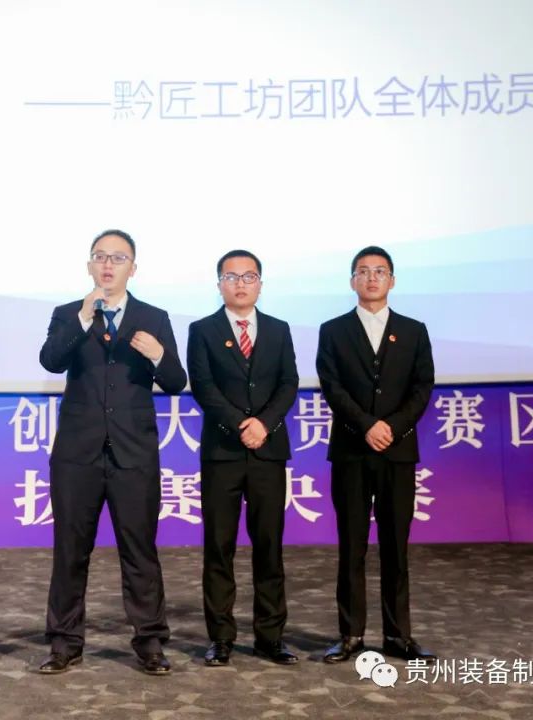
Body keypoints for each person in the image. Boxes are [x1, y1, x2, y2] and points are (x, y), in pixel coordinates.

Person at [36, 229, 187, 676]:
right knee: (70, 551)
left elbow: (176, 381)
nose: (108, 264)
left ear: (132, 268)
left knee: (139, 550)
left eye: (118, 258)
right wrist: (83, 319)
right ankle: (64, 641)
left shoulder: (153, 317)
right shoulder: (69, 314)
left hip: (133, 453)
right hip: (77, 454)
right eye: (100, 256)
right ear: (89, 265)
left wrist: (159, 355)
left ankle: (150, 640)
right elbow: (50, 360)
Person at [315, 245, 437, 664]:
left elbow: (422, 387)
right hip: (351, 451)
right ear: (352, 280)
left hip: (397, 453)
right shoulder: (333, 331)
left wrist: (392, 427)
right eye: (363, 271)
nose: (371, 278)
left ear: (392, 280)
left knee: (395, 548)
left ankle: (398, 636)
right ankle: (350, 634)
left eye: (380, 271)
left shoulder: (414, 330)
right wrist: (366, 424)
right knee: (352, 546)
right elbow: (332, 386)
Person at [186, 249, 300, 667]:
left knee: (269, 545)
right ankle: (221, 638)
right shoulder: (203, 330)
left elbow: (288, 383)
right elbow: (203, 386)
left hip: (268, 451)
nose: (240, 284)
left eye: (248, 277)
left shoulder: (279, 329)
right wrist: (240, 424)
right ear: (219, 284)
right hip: (223, 453)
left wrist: (263, 424)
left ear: (260, 284)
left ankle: (271, 637)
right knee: (219, 546)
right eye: (231, 277)